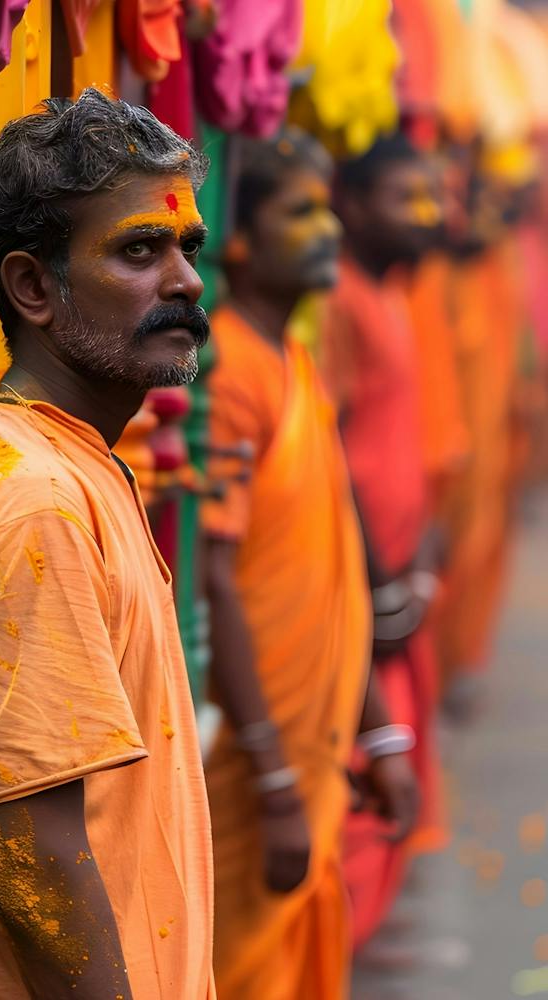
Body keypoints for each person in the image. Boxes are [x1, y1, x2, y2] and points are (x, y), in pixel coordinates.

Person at [0, 88, 217, 1000]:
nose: (186, 281)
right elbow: (31, 854)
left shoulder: (77, 468)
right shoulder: (34, 500)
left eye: (188, 248)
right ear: (32, 287)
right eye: (140, 249)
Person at [200, 127, 418, 999]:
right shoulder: (226, 375)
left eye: (329, 210)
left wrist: (378, 729)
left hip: (309, 747)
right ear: (242, 238)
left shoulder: (292, 358)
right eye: (302, 212)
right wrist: (278, 782)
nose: (327, 229)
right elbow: (216, 578)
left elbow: (332, 582)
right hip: (253, 771)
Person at [322, 133, 445, 948]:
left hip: (400, 570)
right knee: (367, 768)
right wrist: (379, 579)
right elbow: (330, 450)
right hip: (366, 581)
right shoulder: (340, 299)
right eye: (408, 197)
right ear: (354, 206)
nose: (428, 215)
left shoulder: (391, 288)